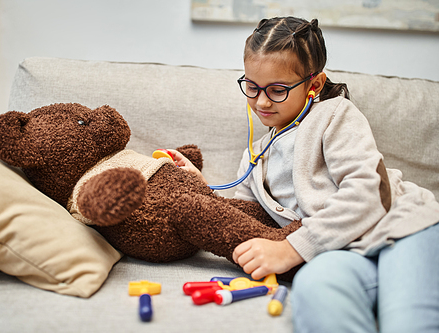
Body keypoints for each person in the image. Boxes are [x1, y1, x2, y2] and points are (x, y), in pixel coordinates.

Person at [171, 16, 439, 333]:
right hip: (340, 254)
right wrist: (202, 191)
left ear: (314, 84)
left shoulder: (334, 115)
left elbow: (369, 191)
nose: (261, 101)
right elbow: (248, 219)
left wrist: (292, 248)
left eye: (277, 90)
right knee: (316, 292)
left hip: (401, 230)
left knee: (408, 322)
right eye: (252, 87)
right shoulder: (254, 156)